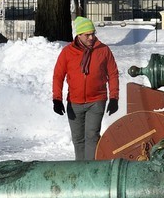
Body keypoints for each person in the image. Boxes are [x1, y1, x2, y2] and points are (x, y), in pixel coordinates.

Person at [51, 15, 119, 159]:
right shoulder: (67, 52)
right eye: (87, 35)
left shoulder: (103, 50)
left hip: (96, 101)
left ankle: (90, 171)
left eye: (93, 34)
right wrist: (57, 99)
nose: (91, 37)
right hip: (74, 102)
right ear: (79, 35)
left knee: (92, 137)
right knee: (78, 139)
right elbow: (58, 76)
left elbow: (113, 74)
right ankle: (80, 170)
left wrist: (114, 98)